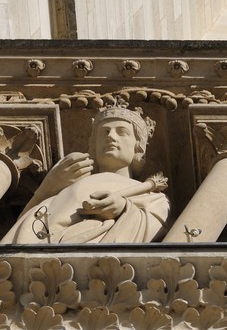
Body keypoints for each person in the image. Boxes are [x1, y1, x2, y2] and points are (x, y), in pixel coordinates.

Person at [3, 105, 168, 245]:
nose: (111, 136)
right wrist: (48, 187)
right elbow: (23, 229)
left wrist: (125, 208)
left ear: (138, 147)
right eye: (104, 132)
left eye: (122, 132)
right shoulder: (67, 183)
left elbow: (155, 228)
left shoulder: (151, 196)